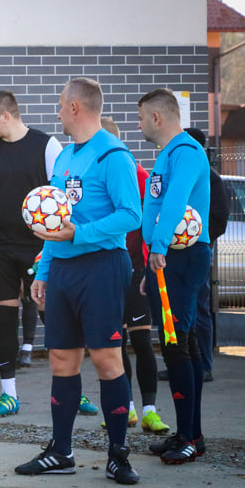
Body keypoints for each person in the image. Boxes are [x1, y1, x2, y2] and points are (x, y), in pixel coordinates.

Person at [16, 78, 141, 485]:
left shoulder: (114, 155)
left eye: (59, 105)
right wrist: (45, 270)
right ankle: (61, 451)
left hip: (103, 266)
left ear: (75, 108)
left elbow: (131, 216)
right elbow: (54, 223)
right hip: (65, 269)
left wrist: (80, 235)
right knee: (61, 360)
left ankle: (119, 455)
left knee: (107, 360)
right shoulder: (65, 157)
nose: (56, 113)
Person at [0, 90, 64, 416]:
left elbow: (61, 197)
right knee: (5, 318)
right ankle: (9, 393)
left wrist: (57, 240)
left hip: (39, 246)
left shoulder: (47, 145)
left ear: (6, 115)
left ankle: (70, 385)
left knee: (53, 315)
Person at [138, 89, 212, 465]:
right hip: (166, 261)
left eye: (140, 118)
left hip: (180, 259)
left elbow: (175, 203)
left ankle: (187, 437)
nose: (138, 125)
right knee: (185, 342)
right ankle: (191, 435)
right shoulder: (168, 154)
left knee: (175, 344)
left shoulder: (184, 152)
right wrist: (150, 256)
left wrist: (160, 249)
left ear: (156, 118)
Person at [97, 116, 168, 434]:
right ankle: (125, 407)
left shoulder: (140, 176)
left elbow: (151, 224)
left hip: (136, 270)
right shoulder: (91, 175)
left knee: (141, 340)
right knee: (115, 344)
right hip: (105, 271)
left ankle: (150, 410)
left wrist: (148, 268)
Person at [185, 127, 229, 383]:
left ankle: (204, 364)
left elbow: (220, 218)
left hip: (198, 251)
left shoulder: (211, 178)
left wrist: (198, 238)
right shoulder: (183, 173)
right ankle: (182, 360)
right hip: (178, 254)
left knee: (200, 306)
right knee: (180, 308)